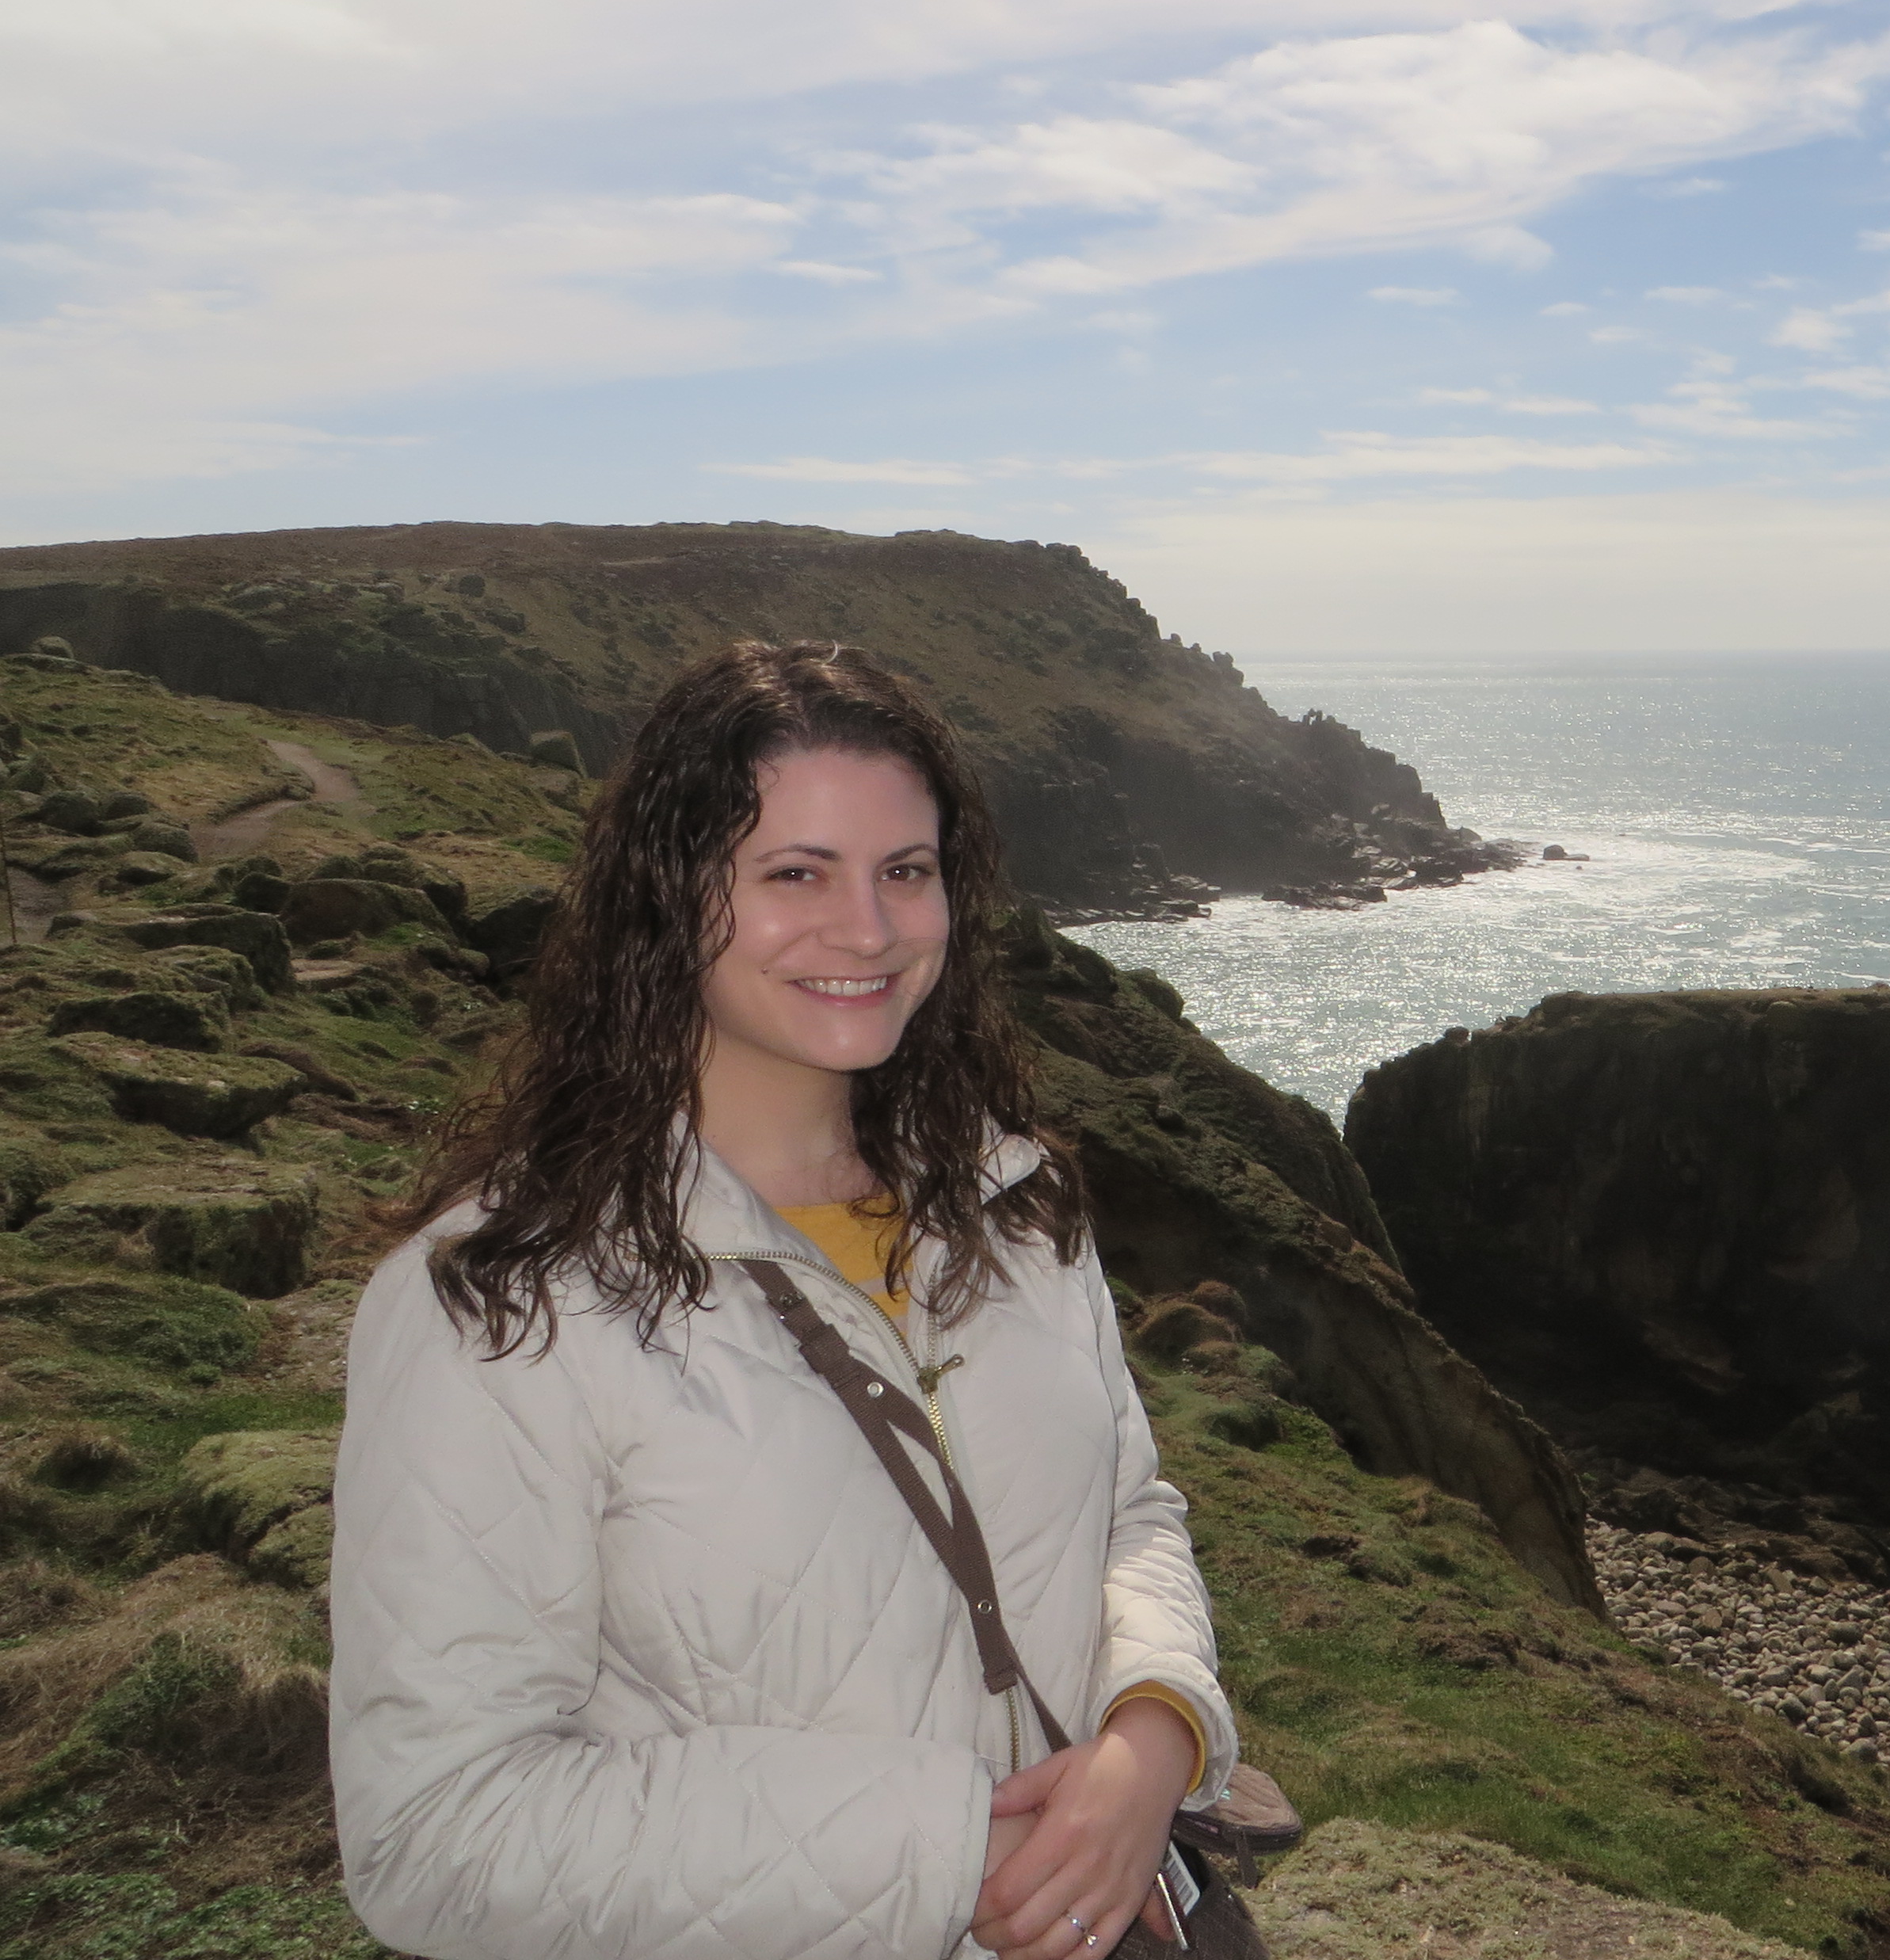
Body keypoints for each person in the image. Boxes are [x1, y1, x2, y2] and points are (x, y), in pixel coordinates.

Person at [330, 640, 1234, 1960]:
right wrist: (955, 1852)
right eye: (795, 874)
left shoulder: (1010, 1204)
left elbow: (1129, 1510)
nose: (867, 930)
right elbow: (436, 1834)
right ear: (670, 896)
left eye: (905, 871)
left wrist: (1152, 1735)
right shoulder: (502, 1302)